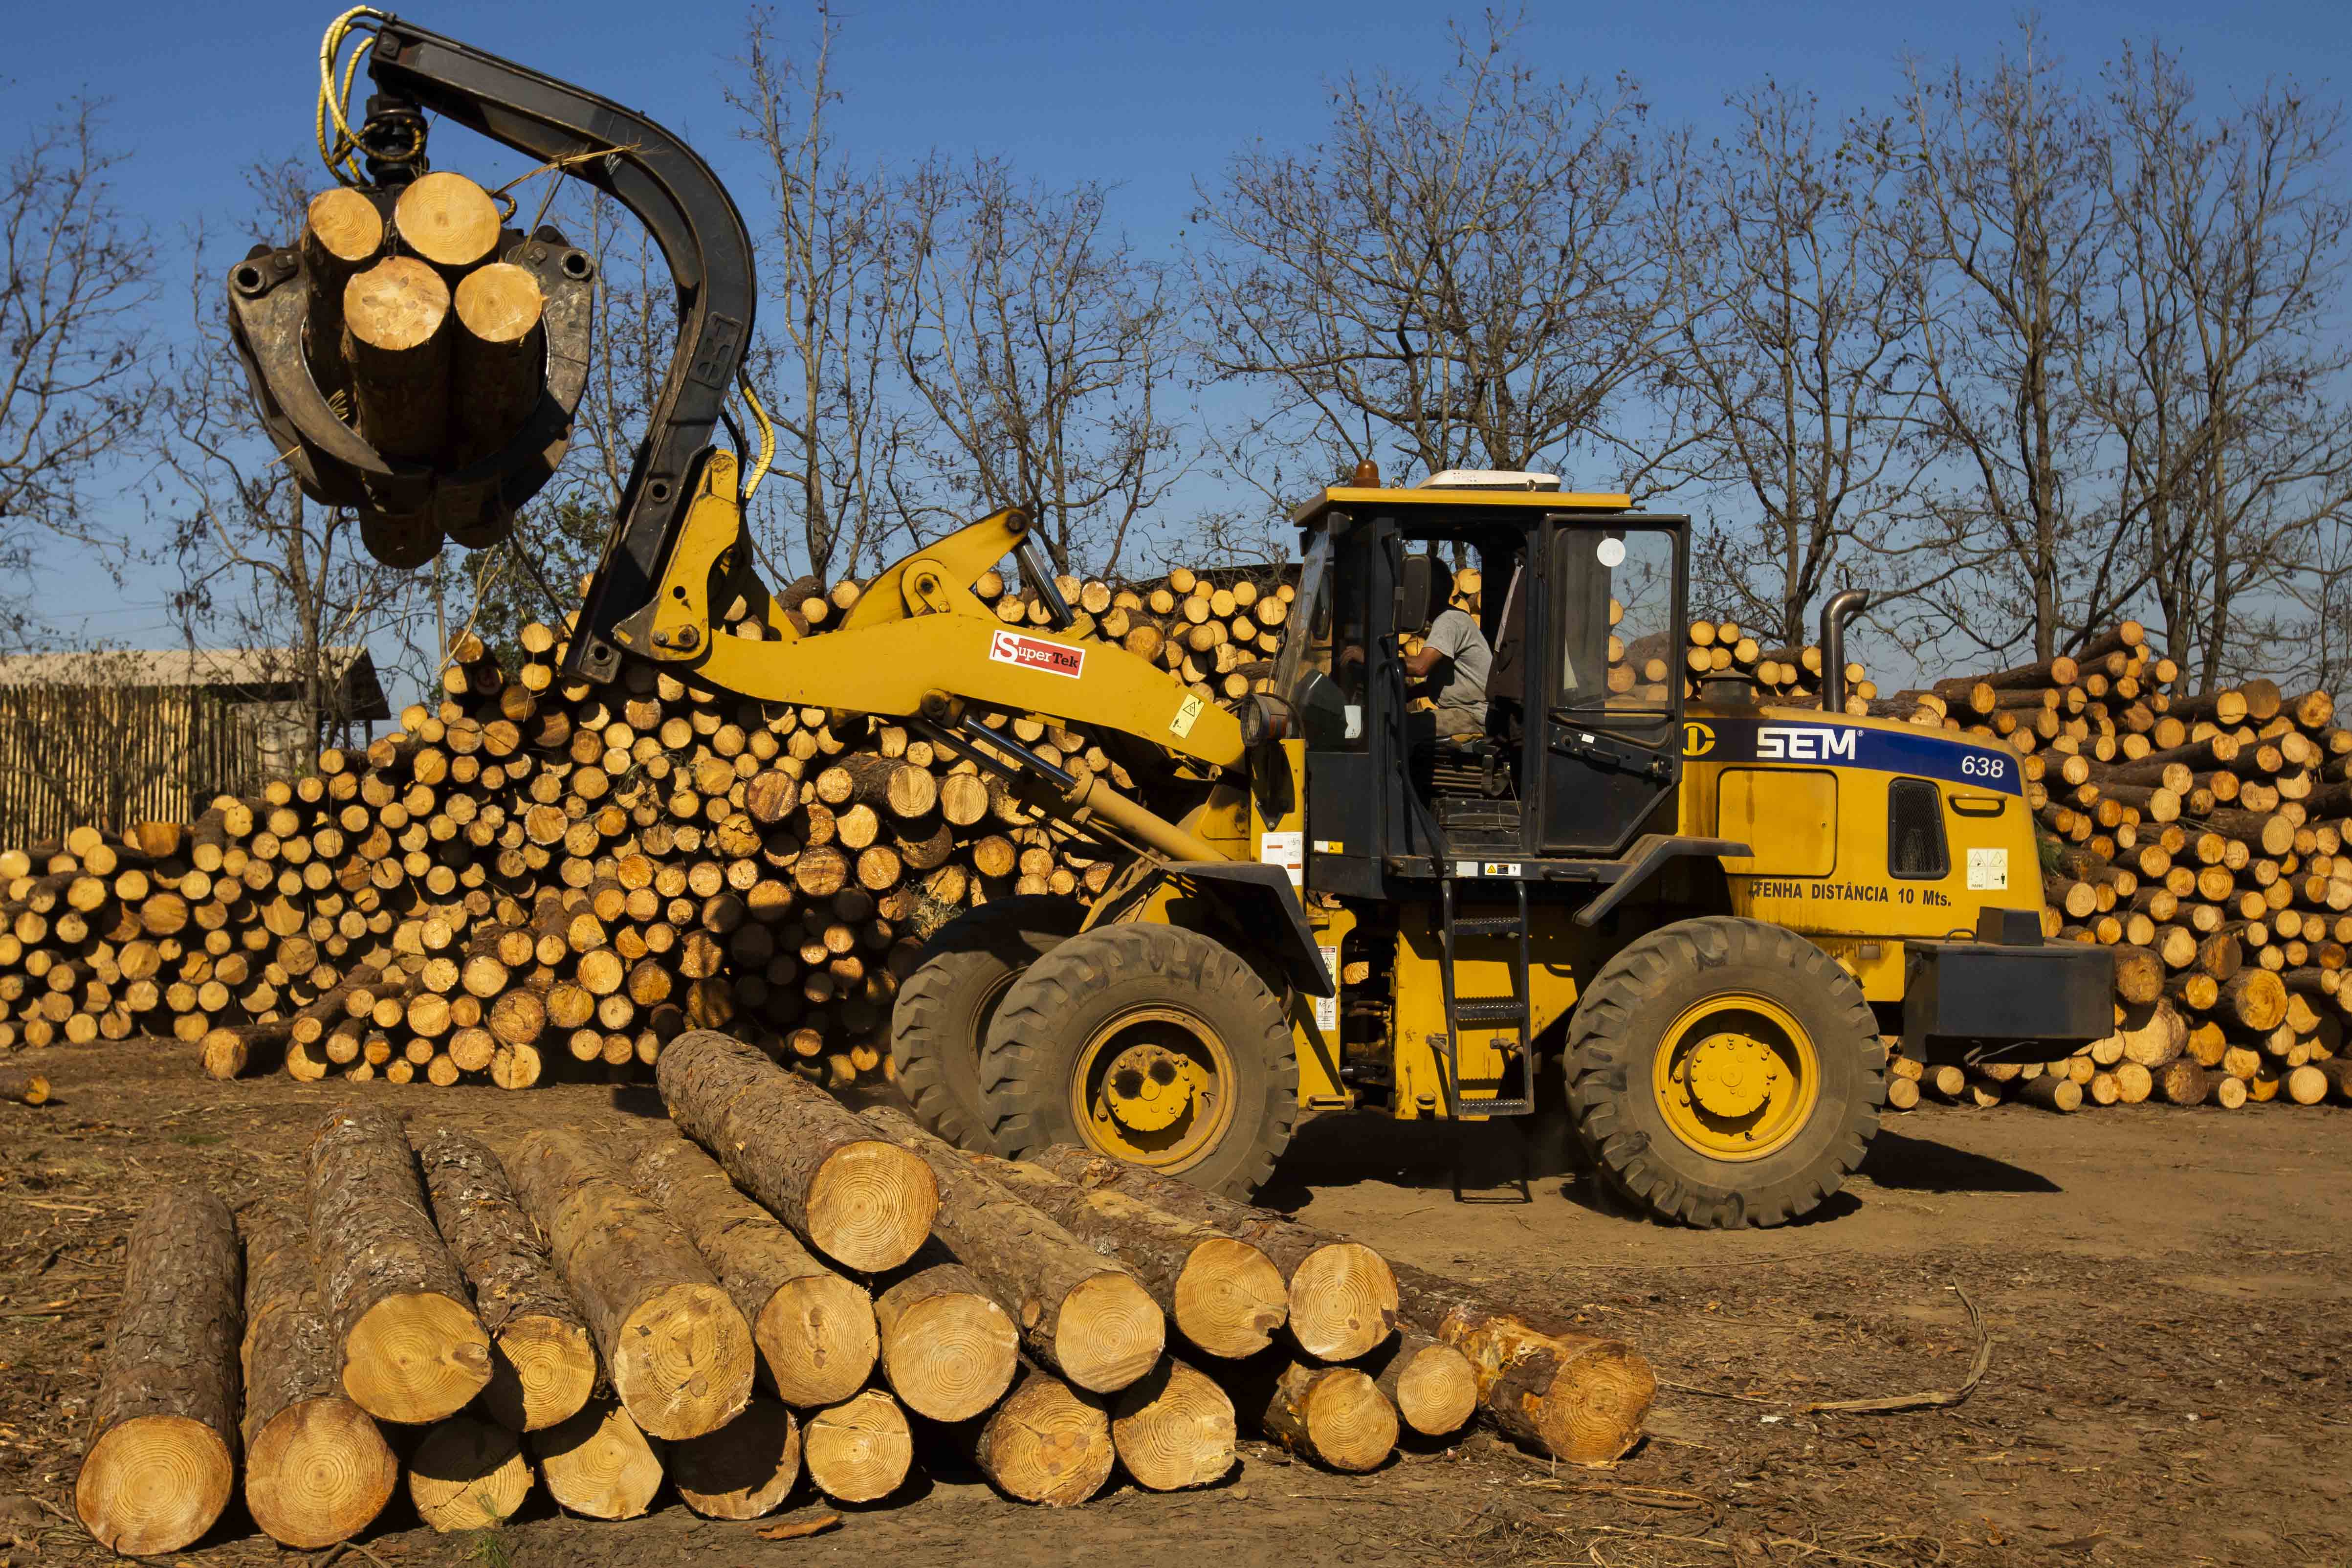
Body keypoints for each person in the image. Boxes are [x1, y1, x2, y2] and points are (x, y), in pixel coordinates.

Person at [1405, 563, 1491, 739]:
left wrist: (1372, 660)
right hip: (1468, 709)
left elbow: (1421, 666)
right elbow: (1447, 684)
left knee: (1402, 729)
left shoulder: (1448, 621)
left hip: (1475, 714)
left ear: (1427, 596)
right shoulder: (1450, 618)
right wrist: (1411, 693)